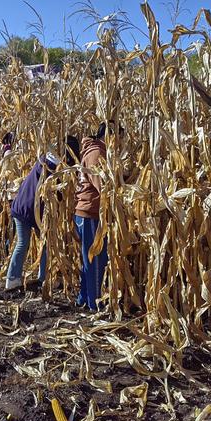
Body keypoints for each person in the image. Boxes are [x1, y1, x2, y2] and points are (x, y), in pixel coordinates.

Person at [5, 135, 80, 290]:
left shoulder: (46, 159)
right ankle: (13, 279)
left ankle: (42, 277)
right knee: (24, 243)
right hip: (29, 211)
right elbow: (55, 192)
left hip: (27, 208)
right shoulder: (54, 168)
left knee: (44, 243)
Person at [74, 122, 121, 311]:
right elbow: (102, 186)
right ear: (110, 136)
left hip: (88, 213)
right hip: (90, 213)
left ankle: (84, 298)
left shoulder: (97, 151)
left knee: (89, 259)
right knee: (95, 260)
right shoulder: (96, 153)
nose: (120, 143)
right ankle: (95, 305)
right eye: (119, 137)